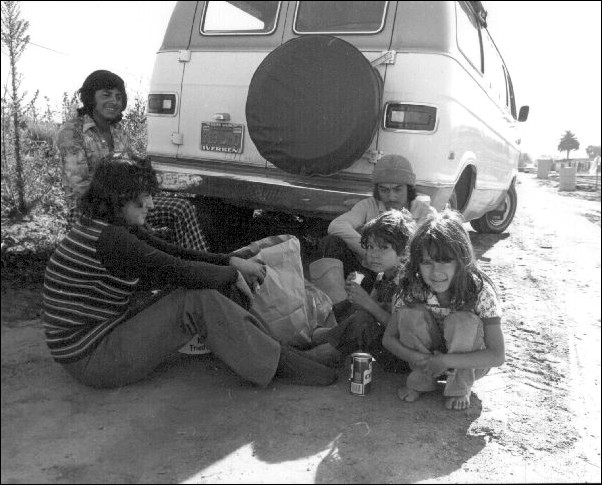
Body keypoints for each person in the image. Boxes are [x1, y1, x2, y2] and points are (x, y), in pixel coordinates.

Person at [41, 156, 336, 389]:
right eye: (143, 197)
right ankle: (283, 362)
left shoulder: (106, 227)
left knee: (199, 285)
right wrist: (232, 274)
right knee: (197, 298)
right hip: (93, 358)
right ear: (120, 198)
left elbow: (175, 254)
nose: (152, 204)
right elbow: (179, 269)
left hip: (98, 341)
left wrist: (229, 262)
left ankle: (278, 351)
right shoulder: (111, 238)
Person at [56, 69, 209, 251]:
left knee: (181, 208)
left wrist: (152, 187)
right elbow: (79, 186)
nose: (114, 101)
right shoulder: (72, 132)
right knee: (140, 233)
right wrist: (127, 208)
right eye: (106, 95)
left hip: (126, 203)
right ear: (91, 98)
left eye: (119, 97)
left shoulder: (118, 131)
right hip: (88, 209)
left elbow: (132, 172)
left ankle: (198, 267)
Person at [382, 209, 505, 410]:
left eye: (445, 261)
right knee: (409, 315)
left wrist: (446, 360)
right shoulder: (412, 287)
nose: (436, 271)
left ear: (461, 260)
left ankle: (460, 386)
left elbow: (497, 356)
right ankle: (422, 380)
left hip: (471, 364)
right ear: (417, 264)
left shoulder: (479, 291)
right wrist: (418, 359)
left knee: (462, 321)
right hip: (427, 361)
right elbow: (389, 338)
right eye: (427, 262)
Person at [306, 210, 414, 371]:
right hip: (386, 341)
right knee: (351, 309)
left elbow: (401, 330)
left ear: (404, 253)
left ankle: (321, 350)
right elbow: (366, 308)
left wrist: (367, 302)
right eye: (370, 247)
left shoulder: (408, 283)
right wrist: (355, 295)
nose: (373, 254)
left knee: (362, 320)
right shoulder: (384, 275)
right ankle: (324, 338)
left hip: (404, 356)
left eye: (383, 248)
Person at [316, 154, 436, 291]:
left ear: (409, 189)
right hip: (368, 272)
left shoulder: (425, 213)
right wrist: (368, 250)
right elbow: (336, 226)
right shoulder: (368, 205)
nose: (391, 196)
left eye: (398, 189)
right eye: (384, 190)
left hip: (403, 278)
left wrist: (387, 256)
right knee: (331, 242)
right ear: (377, 190)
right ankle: (336, 299)